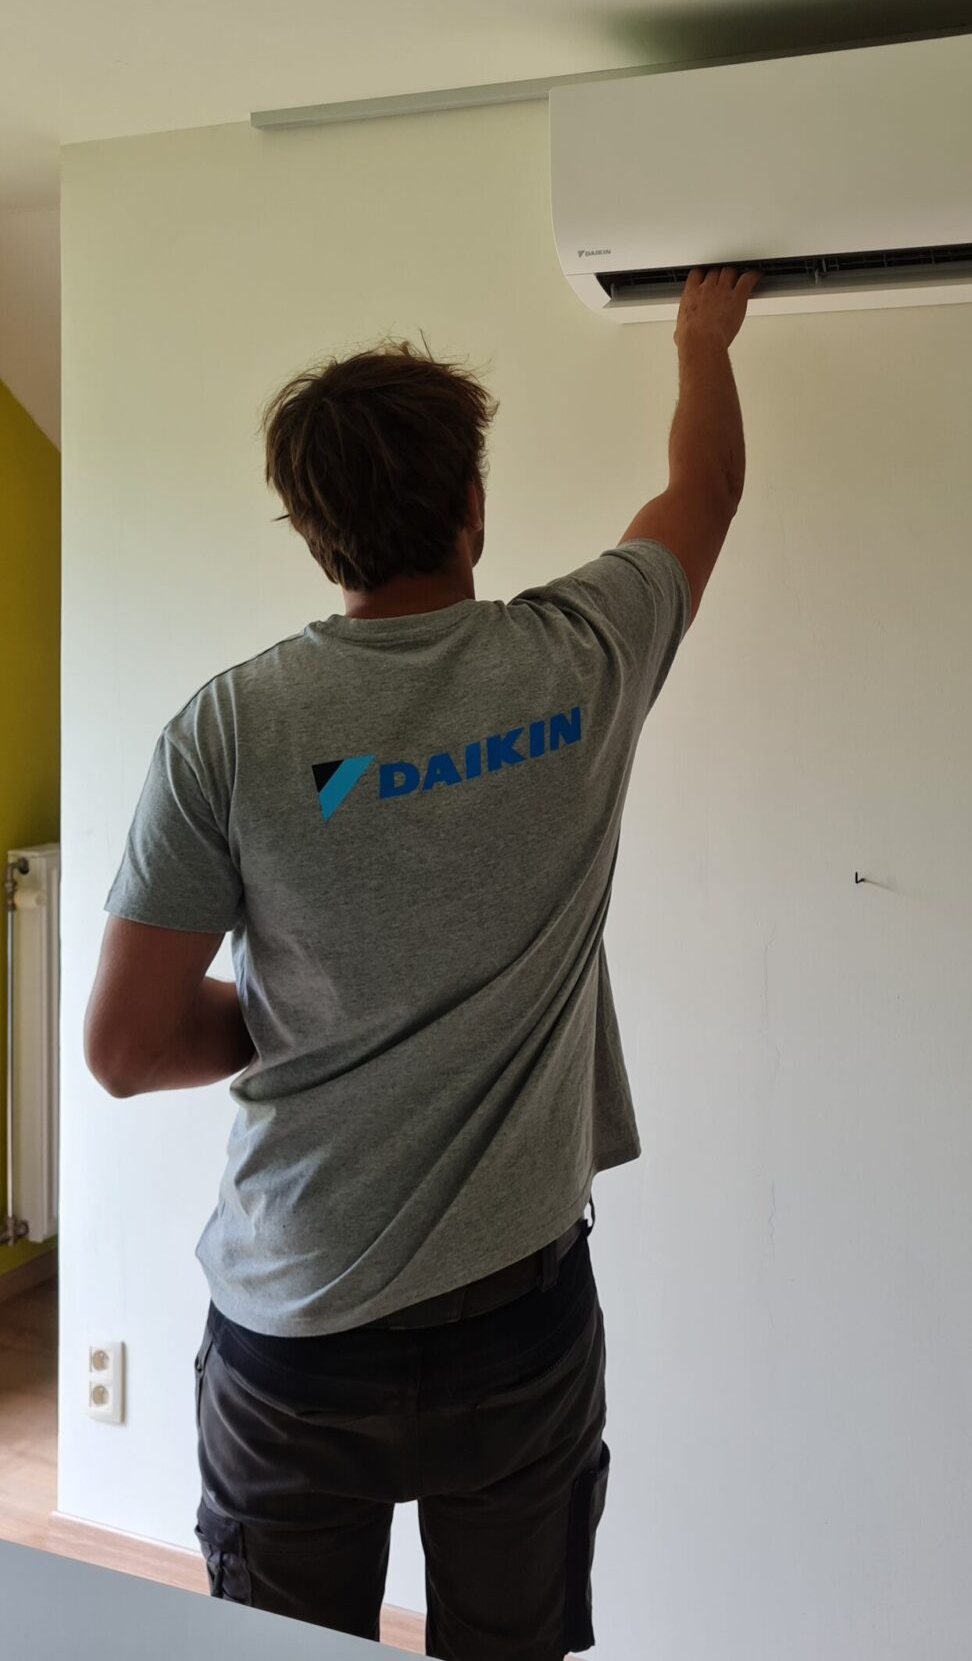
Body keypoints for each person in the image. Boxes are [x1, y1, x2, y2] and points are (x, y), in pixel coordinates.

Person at [84, 266, 758, 1659]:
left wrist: (301, 1019)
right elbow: (702, 493)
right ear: (474, 505)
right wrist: (703, 336)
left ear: (311, 529)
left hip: (297, 1332)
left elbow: (127, 1048)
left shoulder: (231, 731)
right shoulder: (581, 660)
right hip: (515, 1322)